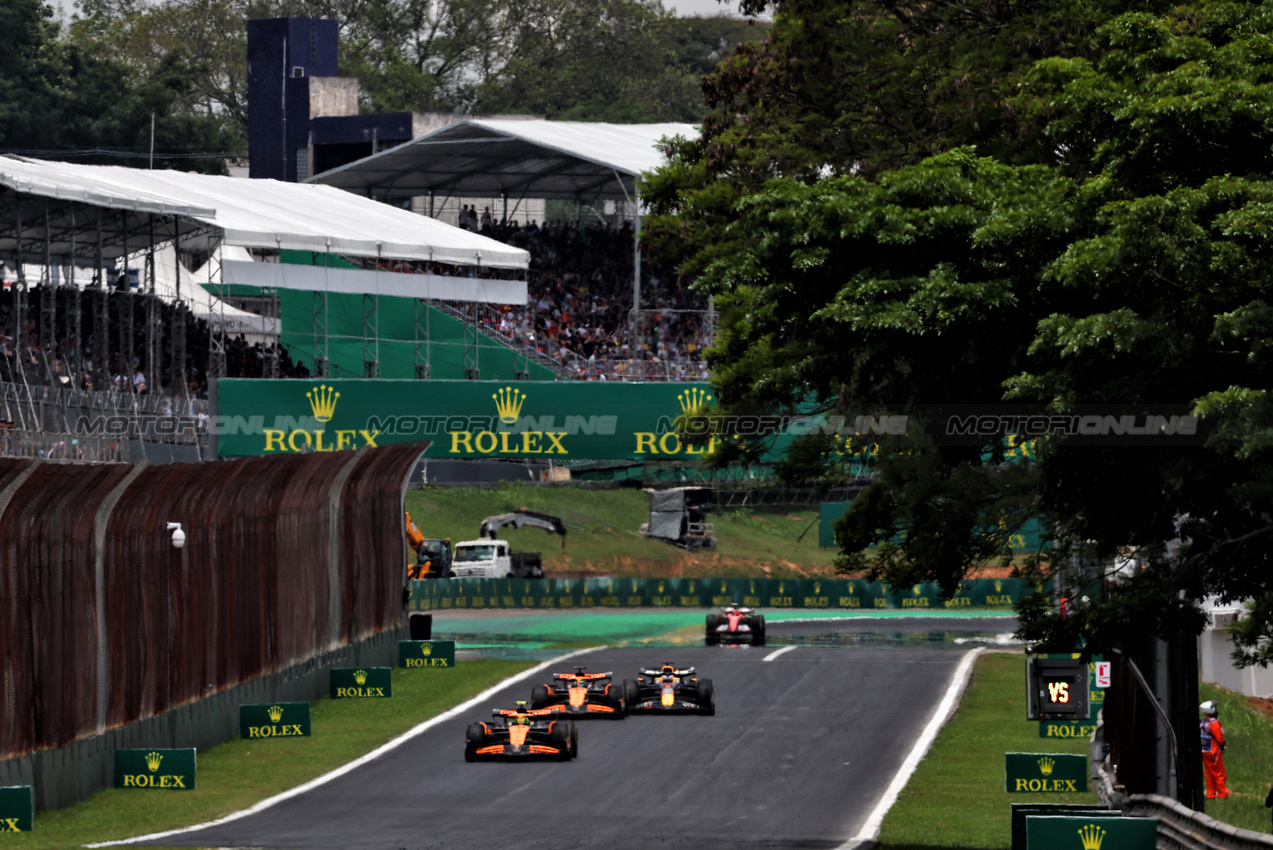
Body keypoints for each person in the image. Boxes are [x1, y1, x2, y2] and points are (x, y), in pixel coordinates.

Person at [1200, 700, 1229, 799]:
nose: (1217, 709)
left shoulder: (1203, 722)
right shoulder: (1214, 723)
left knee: (1209, 773)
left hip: (1204, 751)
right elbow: (1219, 738)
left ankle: (1211, 793)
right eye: (1215, 707)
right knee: (1219, 773)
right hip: (1213, 751)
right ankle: (1222, 793)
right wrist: (1222, 744)